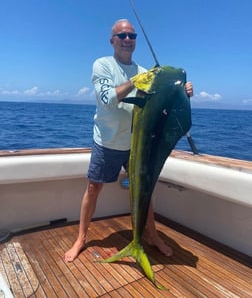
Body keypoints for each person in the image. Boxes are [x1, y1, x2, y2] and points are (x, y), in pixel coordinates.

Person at [64, 19, 193, 262]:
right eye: (121, 36)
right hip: (108, 141)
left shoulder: (146, 72)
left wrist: (181, 93)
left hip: (138, 144)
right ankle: (81, 238)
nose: (127, 40)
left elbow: (163, 108)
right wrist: (135, 82)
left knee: (144, 189)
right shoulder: (102, 65)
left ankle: (152, 235)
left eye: (131, 36)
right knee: (93, 188)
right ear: (112, 40)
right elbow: (107, 99)